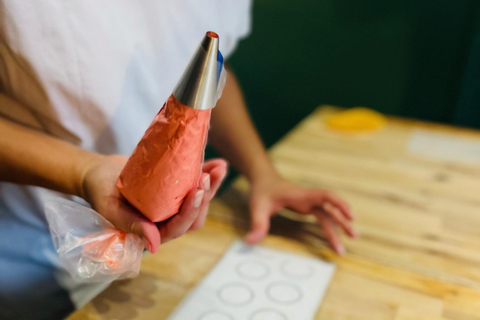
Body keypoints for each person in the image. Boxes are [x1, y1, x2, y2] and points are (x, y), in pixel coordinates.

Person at [0, 1, 356, 319]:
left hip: (152, 246)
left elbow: (205, 74)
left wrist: (263, 173)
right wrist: (84, 170)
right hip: (33, 253)